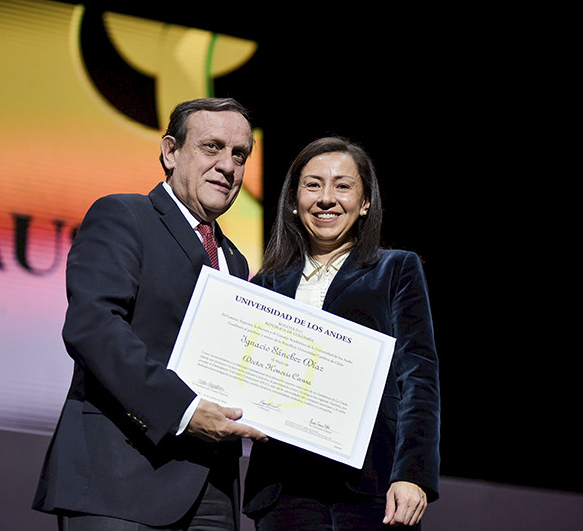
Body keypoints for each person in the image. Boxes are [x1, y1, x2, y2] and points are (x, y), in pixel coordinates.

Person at [32, 97, 267, 531]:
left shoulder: (233, 258)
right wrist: (184, 409)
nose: (227, 166)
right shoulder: (124, 215)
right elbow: (94, 326)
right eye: (211, 147)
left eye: (240, 155)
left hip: (212, 488)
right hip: (119, 477)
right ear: (170, 152)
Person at [242, 137, 440, 530]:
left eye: (343, 186)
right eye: (313, 185)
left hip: (370, 488)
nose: (326, 198)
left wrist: (413, 473)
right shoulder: (265, 284)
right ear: (293, 202)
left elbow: (419, 377)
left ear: (365, 202)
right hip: (285, 489)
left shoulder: (396, 270)